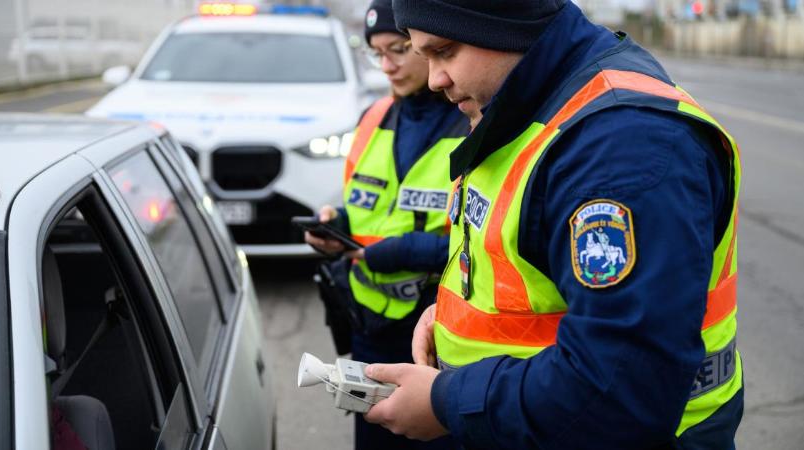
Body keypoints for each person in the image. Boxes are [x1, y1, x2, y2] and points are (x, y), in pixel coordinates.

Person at [362, 0, 744, 448]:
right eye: (425, 56)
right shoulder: (525, 103)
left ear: (501, 22)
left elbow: (620, 387)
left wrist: (446, 401)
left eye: (445, 51)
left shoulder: (622, 146)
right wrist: (450, 319)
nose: (434, 79)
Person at [303, 1, 469, 449]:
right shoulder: (372, 117)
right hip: (368, 323)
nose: (387, 65)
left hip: (436, 330)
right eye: (377, 53)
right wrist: (334, 224)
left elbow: (487, 237)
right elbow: (364, 206)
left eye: (398, 48)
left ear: (428, 43)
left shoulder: (474, 120)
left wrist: (402, 253)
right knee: (373, 437)